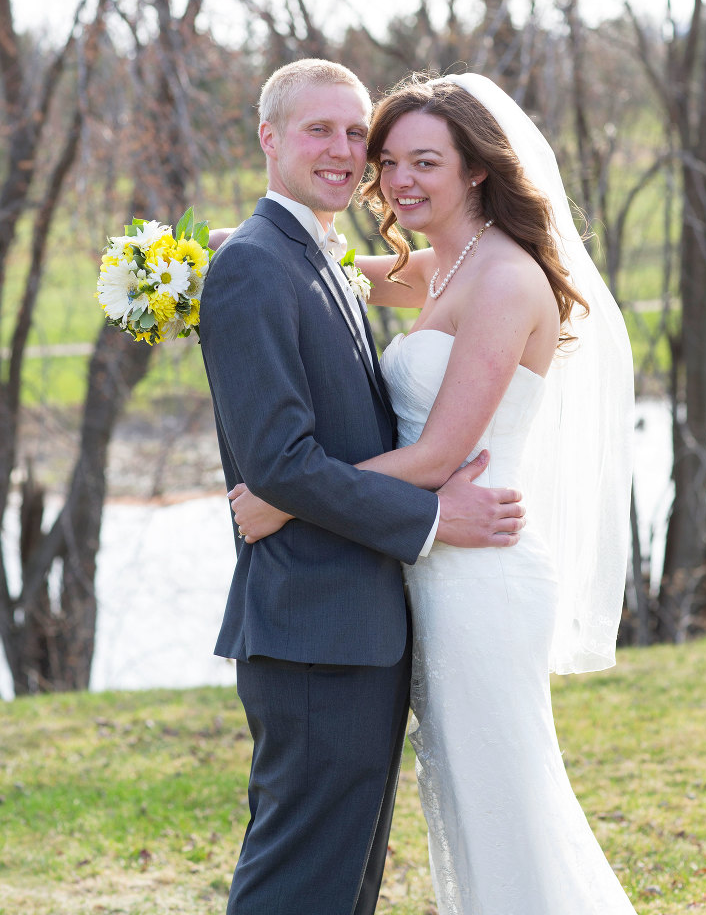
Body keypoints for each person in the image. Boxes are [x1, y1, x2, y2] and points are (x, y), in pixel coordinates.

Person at [230, 72, 637, 913]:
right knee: (460, 803)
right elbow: (306, 268)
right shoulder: (438, 271)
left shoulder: (502, 279)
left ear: (478, 169)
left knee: (505, 801)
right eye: (388, 162)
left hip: (480, 566)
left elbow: (442, 452)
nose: (398, 180)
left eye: (426, 161)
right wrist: (178, 271)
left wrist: (283, 495)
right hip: (424, 570)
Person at [198, 59, 525, 915]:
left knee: (342, 884)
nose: (347, 153)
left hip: (355, 626)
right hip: (315, 627)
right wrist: (429, 517)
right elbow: (280, 461)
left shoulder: (310, 254)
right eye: (320, 131)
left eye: (356, 135)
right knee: (300, 882)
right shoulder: (261, 263)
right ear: (269, 138)